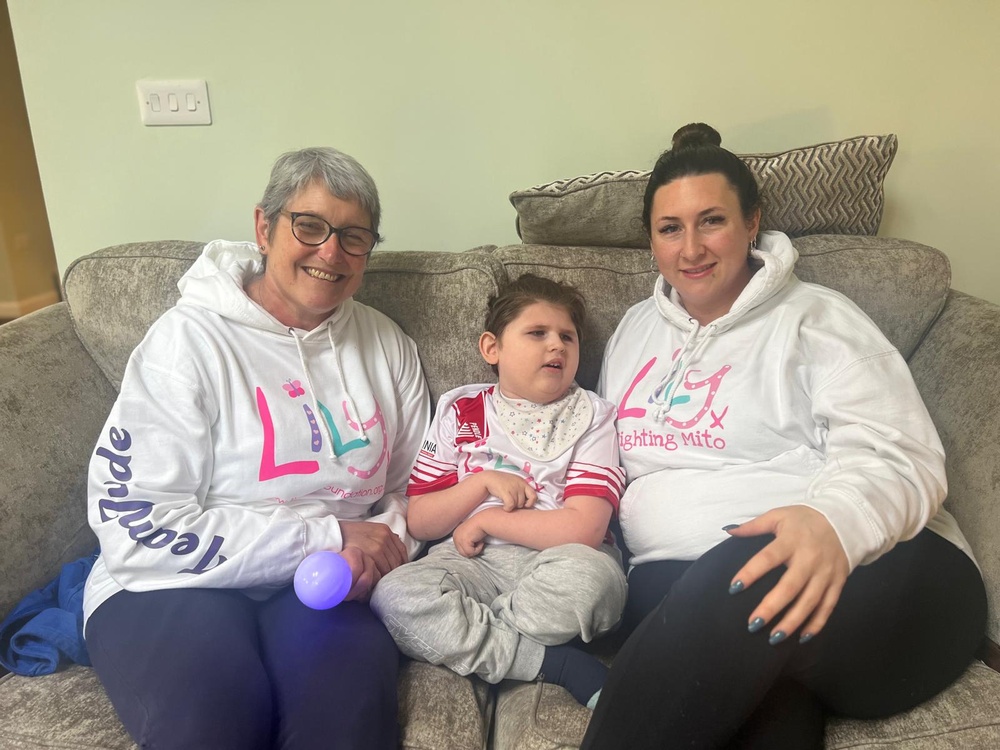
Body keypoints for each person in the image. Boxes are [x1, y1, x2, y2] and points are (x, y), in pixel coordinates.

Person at [581, 123, 987, 749]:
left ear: (752, 223)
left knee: (744, 579)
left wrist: (834, 522)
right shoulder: (634, 332)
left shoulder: (818, 318)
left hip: (886, 574)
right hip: (692, 590)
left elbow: (903, 455)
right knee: (765, 700)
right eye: (670, 228)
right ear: (651, 240)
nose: (691, 248)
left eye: (711, 220)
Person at [83, 147, 431, 750]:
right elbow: (137, 525)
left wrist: (381, 549)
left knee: (346, 723)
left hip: (330, 582)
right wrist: (323, 537)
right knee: (211, 720)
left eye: (354, 237)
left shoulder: (384, 343)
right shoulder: (186, 342)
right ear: (263, 227)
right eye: (311, 226)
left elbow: (414, 484)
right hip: (177, 580)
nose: (331, 253)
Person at [371, 274, 628, 709]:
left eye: (568, 336)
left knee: (594, 583)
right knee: (393, 596)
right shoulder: (462, 411)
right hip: (471, 562)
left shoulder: (593, 417)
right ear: (492, 348)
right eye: (537, 333)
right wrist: (480, 485)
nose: (557, 345)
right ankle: (550, 661)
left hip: (558, 559)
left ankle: (486, 645)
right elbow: (420, 519)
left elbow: (584, 528)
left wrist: (489, 518)